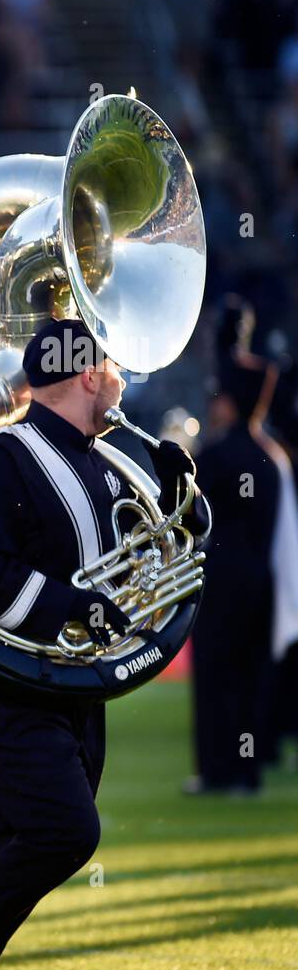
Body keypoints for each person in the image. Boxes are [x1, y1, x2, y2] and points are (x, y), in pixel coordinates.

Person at [0, 317, 210, 970]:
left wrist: (179, 504)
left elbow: (156, 559)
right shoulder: (1, 456)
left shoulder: (101, 461)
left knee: (26, 836)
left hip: (69, 687)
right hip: (6, 685)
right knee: (64, 830)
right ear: (88, 375)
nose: (122, 381)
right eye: (113, 367)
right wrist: (72, 607)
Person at [189, 298, 298, 794]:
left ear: (227, 401)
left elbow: (190, 519)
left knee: (216, 679)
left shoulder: (214, 455)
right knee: (251, 681)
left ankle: (217, 771)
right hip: (261, 584)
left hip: (220, 585)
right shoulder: (272, 457)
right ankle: (246, 773)